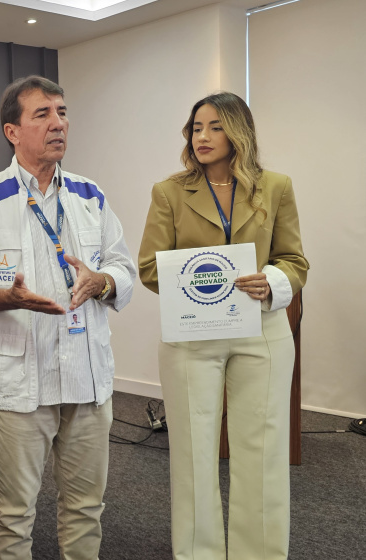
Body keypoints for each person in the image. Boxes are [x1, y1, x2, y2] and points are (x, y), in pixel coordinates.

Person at [0, 76, 136, 560]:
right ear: (13, 131)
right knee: (13, 513)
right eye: (43, 114)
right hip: (19, 384)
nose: (59, 124)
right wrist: (3, 297)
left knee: (86, 507)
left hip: (88, 378)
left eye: (63, 112)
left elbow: (122, 266)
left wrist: (103, 282)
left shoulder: (90, 195)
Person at [138, 92, 308, 560]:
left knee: (263, 453)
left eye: (215, 127)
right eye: (196, 128)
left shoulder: (276, 186)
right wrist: (197, 276)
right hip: (192, 334)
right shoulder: (168, 191)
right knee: (193, 455)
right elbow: (149, 267)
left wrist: (271, 281)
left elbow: (295, 261)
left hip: (263, 330)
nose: (203, 137)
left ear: (238, 132)